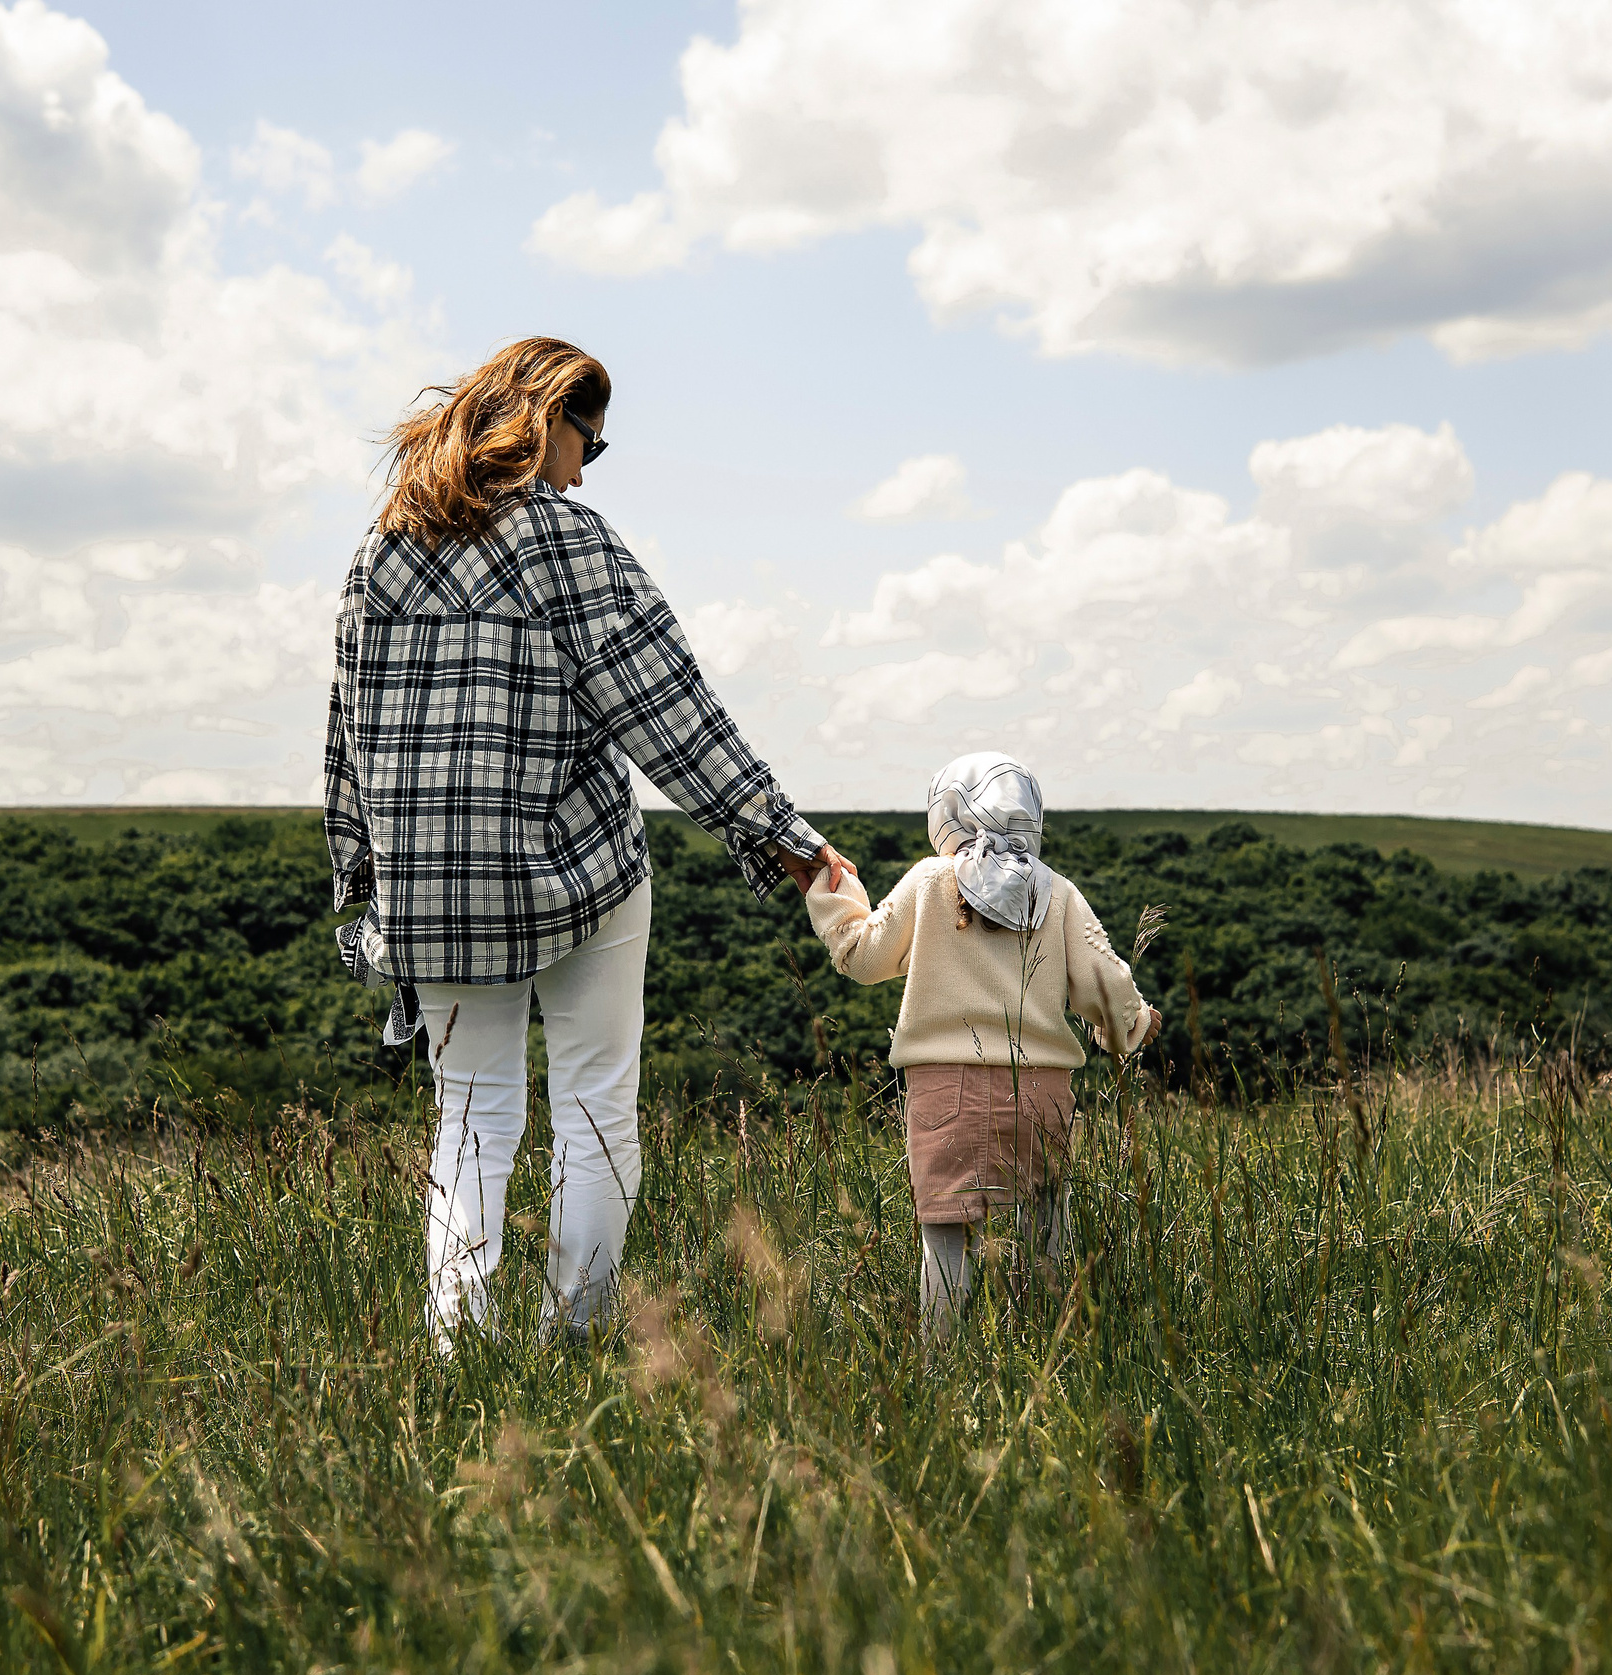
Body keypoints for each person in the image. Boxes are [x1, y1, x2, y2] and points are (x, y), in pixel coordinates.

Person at [323, 336, 852, 1353]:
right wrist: (778, 834)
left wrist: (368, 874)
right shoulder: (563, 537)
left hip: (431, 891)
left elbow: (347, 733)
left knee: (470, 1124)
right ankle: (576, 1337)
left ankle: (462, 1354)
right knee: (596, 1104)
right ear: (542, 418)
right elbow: (665, 707)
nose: (582, 466)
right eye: (586, 441)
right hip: (575, 871)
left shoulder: (380, 548)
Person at [801, 752, 1158, 1347]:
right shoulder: (1061, 894)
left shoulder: (928, 881)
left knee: (946, 1240)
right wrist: (1134, 1024)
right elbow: (1103, 976)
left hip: (945, 1091)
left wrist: (836, 894)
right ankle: (1043, 1358)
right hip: (1044, 1094)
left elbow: (862, 958)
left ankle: (943, 1372)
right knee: (1045, 1232)